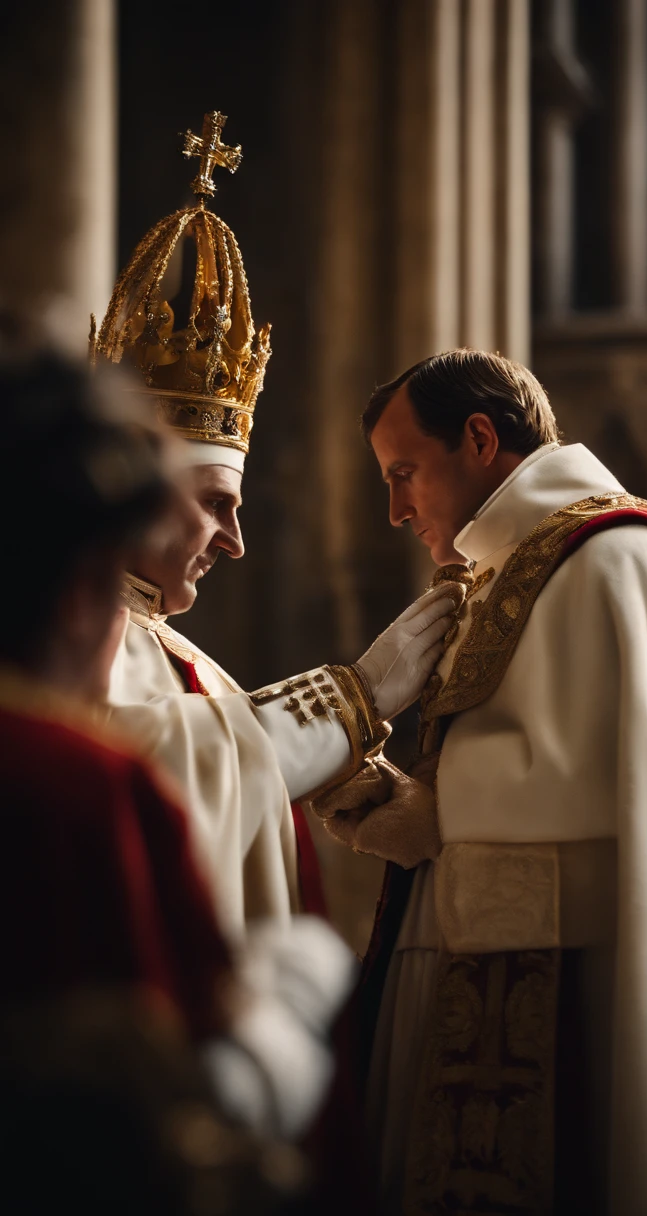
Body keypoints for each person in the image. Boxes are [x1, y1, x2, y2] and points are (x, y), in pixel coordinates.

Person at [314, 348, 647, 1215]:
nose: (397, 510)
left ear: (480, 438)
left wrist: (431, 812)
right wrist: (405, 803)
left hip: (590, 1001)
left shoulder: (627, 563)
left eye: (404, 475)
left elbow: (636, 791)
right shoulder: (498, 572)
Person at [0, 342, 355, 1212]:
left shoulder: (170, 667)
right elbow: (186, 1092)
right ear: (84, 590)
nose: (233, 543)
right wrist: (291, 996)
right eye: (215, 506)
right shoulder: (83, 788)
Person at [93, 112, 460, 938]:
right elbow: (137, 773)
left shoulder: (169, 649)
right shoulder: (55, 626)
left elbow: (216, 749)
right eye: (216, 504)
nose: (235, 541)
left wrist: (348, 788)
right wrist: (353, 700)